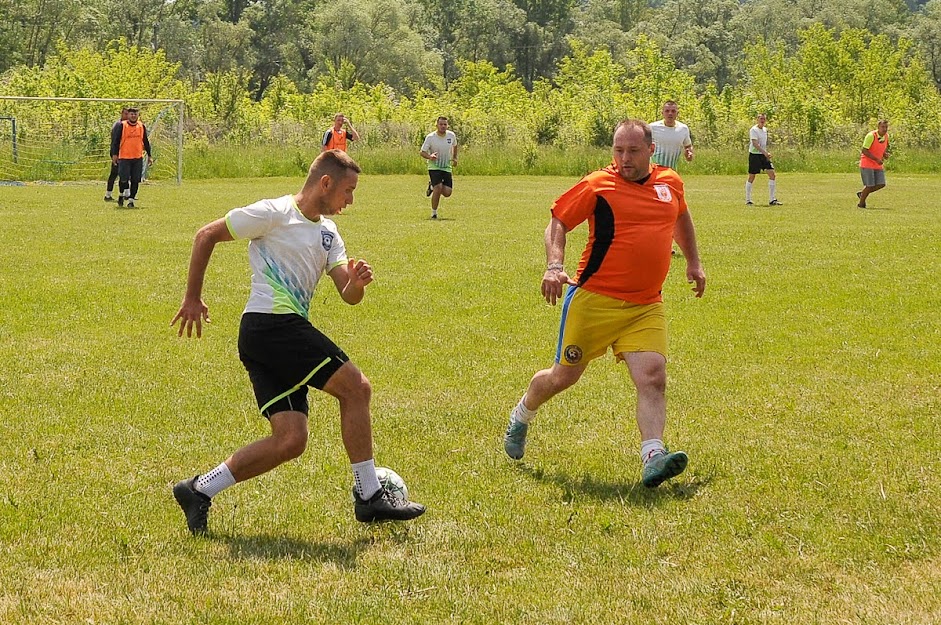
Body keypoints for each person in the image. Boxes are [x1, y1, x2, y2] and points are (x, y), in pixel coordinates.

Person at [170, 150, 426, 535]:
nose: (351, 200)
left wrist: (356, 283)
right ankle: (369, 495)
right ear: (326, 183)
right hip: (271, 325)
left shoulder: (329, 234)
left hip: (267, 337)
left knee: (291, 440)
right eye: (348, 190)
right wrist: (192, 297)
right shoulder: (274, 213)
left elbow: (347, 293)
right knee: (356, 389)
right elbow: (206, 234)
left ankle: (198, 490)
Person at [502, 119, 706, 489]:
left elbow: (680, 216)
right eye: (617, 150)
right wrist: (553, 266)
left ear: (650, 150)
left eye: (632, 151)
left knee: (653, 376)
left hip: (645, 304)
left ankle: (652, 456)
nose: (623, 159)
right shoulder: (599, 185)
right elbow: (558, 222)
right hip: (594, 301)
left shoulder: (670, 182)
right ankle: (522, 415)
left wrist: (693, 262)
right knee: (562, 377)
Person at [110, 107, 153, 208]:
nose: (133, 116)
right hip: (124, 157)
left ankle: (131, 200)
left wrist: (150, 155)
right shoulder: (122, 125)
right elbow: (115, 142)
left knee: (135, 180)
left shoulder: (141, 126)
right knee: (123, 179)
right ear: (128, 115)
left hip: (137, 158)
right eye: (131, 114)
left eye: (135, 114)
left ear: (138, 115)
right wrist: (115, 155)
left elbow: (145, 141)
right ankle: (121, 194)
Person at [419, 116, 458, 219]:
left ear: (447, 125)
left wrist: (454, 158)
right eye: (441, 124)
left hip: (446, 167)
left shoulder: (451, 135)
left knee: (447, 192)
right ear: (437, 125)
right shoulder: (431, 137)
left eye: (445, 124)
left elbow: (455, 145)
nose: (443, 126)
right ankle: (434, 213)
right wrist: (430, 156)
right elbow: (422, 152)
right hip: (434, 166)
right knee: (438, 187)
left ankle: (431, 186)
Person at [745, 113, 782, 206]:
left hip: (763, 155)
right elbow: (755, 144)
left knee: (772, 174)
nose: (762, 120)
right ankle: (748, 199)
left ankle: (772, 199)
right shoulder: (753, 130)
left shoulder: (765, 130)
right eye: (761, 119)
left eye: (764, 119)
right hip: (755, 155)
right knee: (752, 176)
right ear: (757, 119)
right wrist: (765, 153)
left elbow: (764, 143)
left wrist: (765, 153)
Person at [650, 100, 694, 170]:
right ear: (662, 113)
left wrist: (689, 154)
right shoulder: (652, 127)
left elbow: (688, 146)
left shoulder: (683, 128)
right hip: (654, 171)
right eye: (667, 111)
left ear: (677, 113)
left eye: (673, 111)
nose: (670, 113)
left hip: (672, 171)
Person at [857, 120, 890, 209]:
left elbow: (882, 149)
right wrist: (876, 159)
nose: (885, 129)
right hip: (867, 164)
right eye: (883, 127)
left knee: (881, 184)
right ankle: (861, 204)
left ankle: (862, 193)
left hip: (877, 164)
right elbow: (864, 150)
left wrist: (884, 154)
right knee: (870, 185)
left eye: (886, 127)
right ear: (878, 127)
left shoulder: (886, 136)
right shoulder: (871, 136)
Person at [103, 107, 128, 201]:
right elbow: (115, 141)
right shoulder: (118, 125)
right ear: (122, 114)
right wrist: (115, 154)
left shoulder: (126, 125)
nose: (127, 116)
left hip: (124, 153)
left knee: (124, 173)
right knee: (115, 173)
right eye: (125, 114)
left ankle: (126, 193)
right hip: (117, 153)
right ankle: (108, 195)